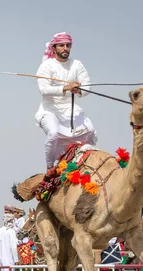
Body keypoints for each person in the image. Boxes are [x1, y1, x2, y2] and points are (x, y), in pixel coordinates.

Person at [35, 33, 97, 169]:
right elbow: (44, 89)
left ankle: (83, 164)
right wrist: (66, 87)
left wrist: (79, 90)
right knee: (53, 133)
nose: (65, 48)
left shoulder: (77, 64)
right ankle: (50, 168)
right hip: (50, 109)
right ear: (54, 47)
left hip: (71, 108)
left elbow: (87, 85)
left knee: (90, 130)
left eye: (68, 45)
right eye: (62, 45)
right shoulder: (47, 66)